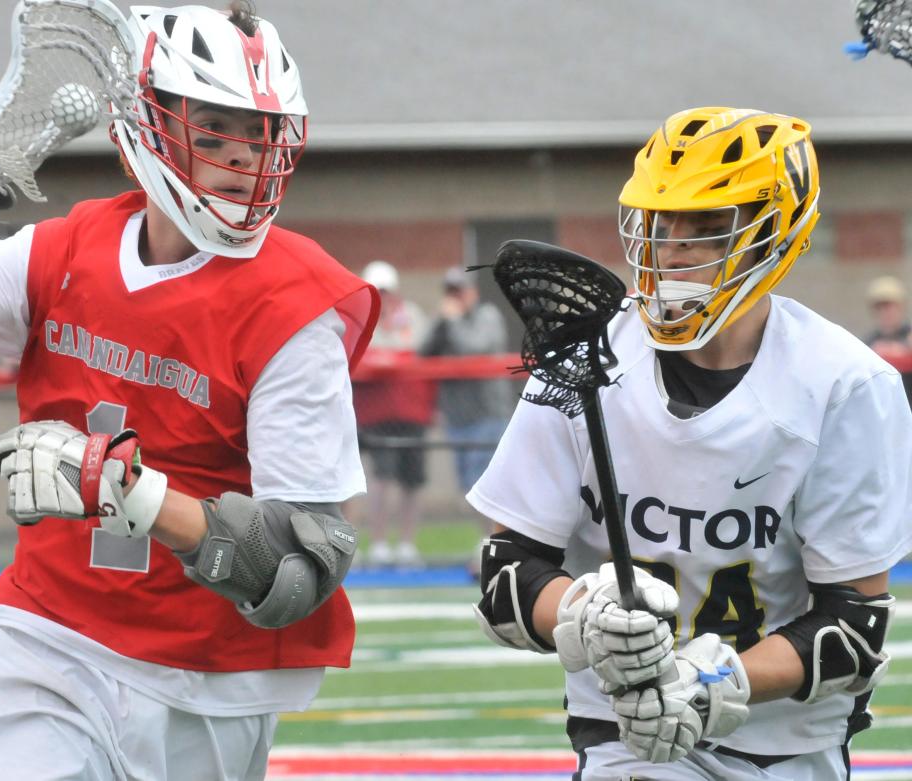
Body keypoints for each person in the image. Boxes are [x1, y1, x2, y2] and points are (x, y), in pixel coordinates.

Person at [0, 3, 377, 780]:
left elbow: (300, 562)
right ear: (144, 123)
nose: (244, 159)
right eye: (214, 131)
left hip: (203, 678)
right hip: (47, 634)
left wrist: (124, 490)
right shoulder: (57, 250)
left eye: (260, 133)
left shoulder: (294, 304)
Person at [468, 107, 912, 780]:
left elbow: (852, 629)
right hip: (626, 736)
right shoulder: (584, 356)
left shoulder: (844, 385)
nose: (669, 253)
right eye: (659, 226)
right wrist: (586, 612)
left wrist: (712, 684)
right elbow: (506, 574)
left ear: (773, 237)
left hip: (786, 740)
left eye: (704, 231)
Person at [353, 260, 434, 566]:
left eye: (386, 291)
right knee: (380, 479)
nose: (383, 297)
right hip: (374, 414)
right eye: (377, 291)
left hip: (411, 412)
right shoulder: (361, 316)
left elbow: (420, 350)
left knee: (412, 480)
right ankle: (377, 543)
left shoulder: (411, 314)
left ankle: (407, 544)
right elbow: (364, 353)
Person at [420, 266, 515, 527]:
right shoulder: (446, 320)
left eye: (460, 292)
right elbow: (422, 351)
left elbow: (473, 349)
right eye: (451, 292)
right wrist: (441, 321)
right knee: (467, 487)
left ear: (472, 292)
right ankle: (485, 538)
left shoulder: (487, 316)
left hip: (488, 415)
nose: (455, 298)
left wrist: (453, 321)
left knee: (485, 483)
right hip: (457, 417)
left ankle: (494, 538)